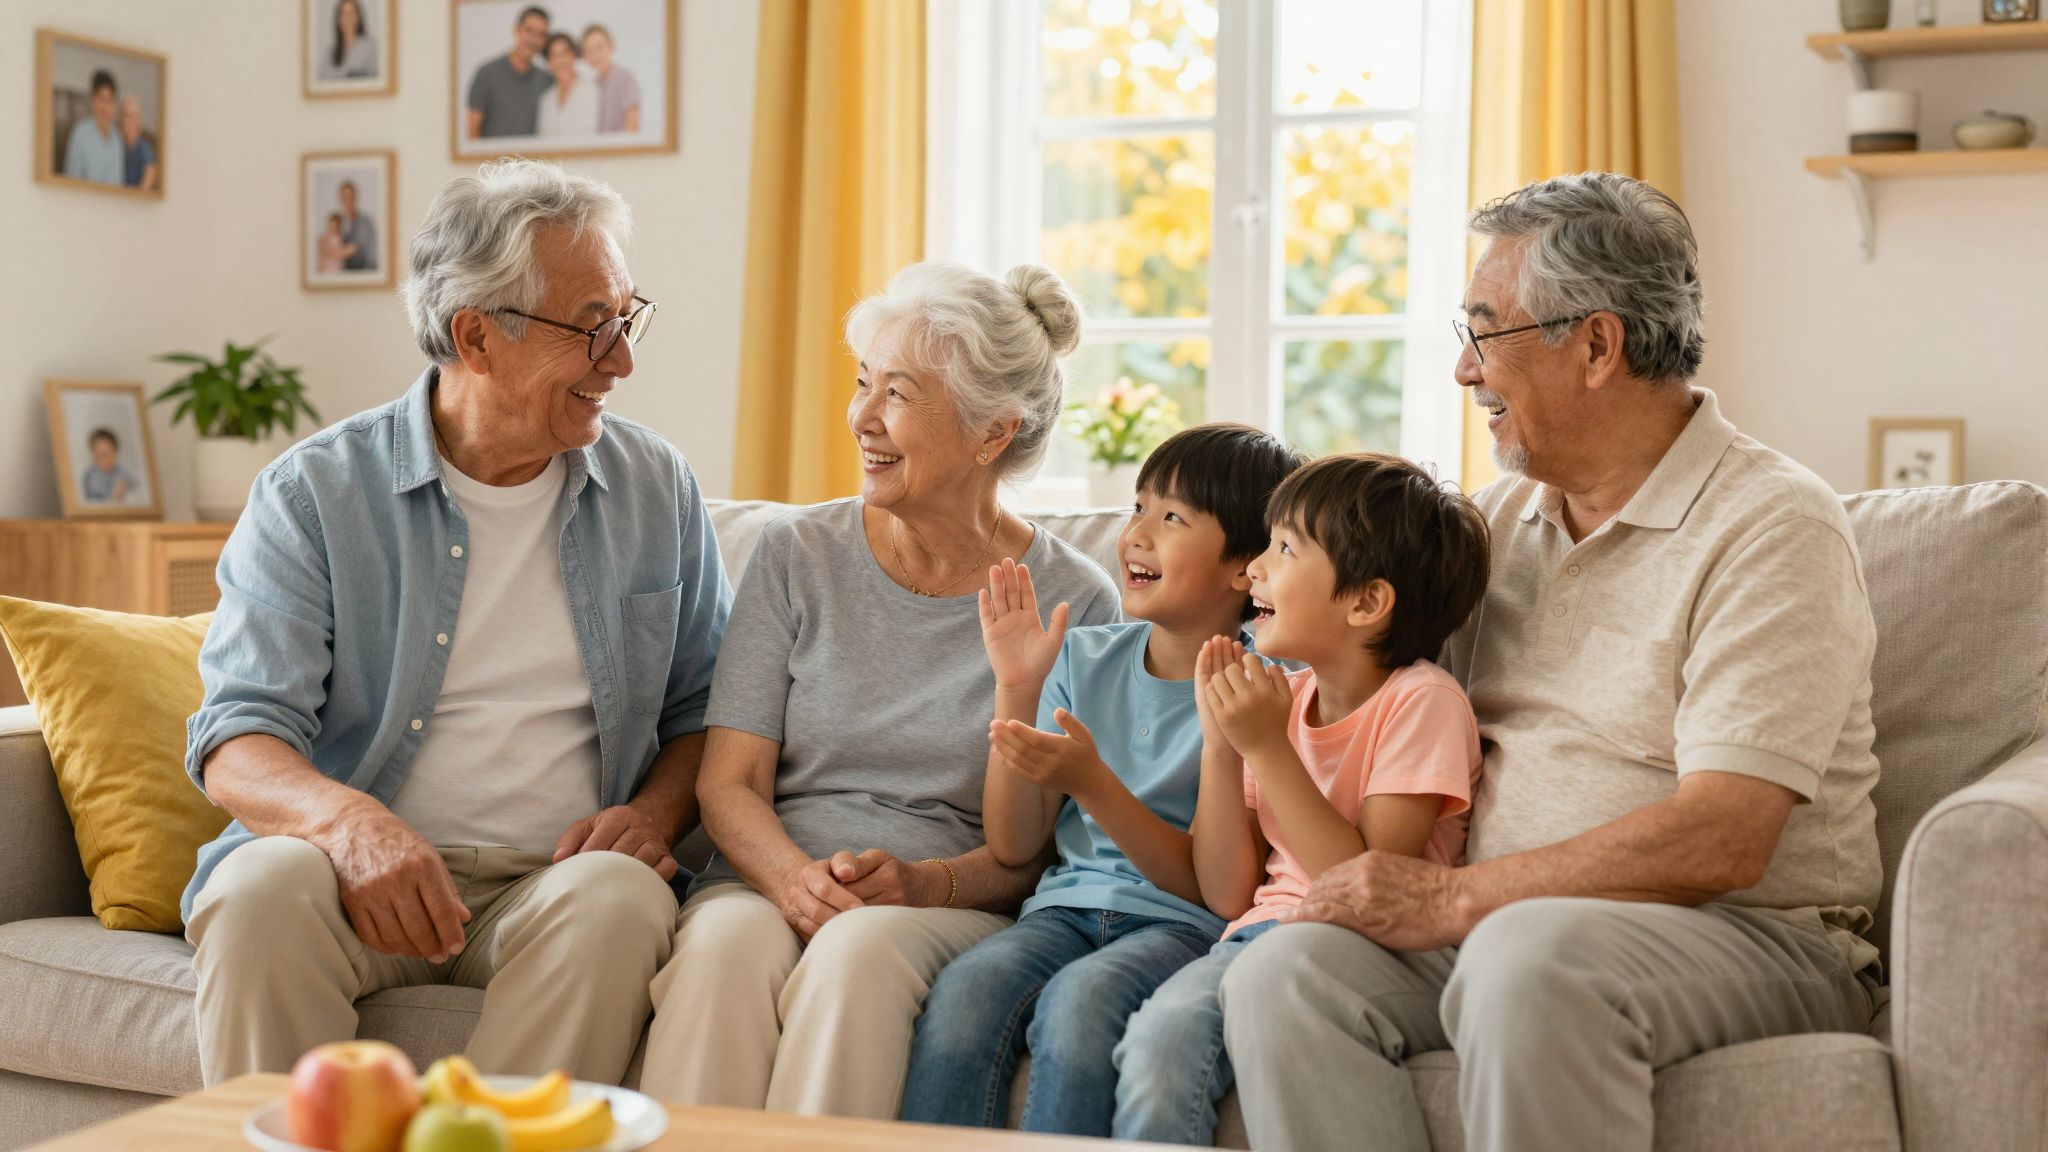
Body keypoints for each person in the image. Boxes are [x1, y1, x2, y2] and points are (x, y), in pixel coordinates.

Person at [1223, 172, 1885, 1152]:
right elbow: (1347, 671)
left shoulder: (1770, 526)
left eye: (1482, 332)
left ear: (1594, 345)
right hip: (1502, 930)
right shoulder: (1489, 526)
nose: (1460, 369)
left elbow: (1724, 838)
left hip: (1747, 934)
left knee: (1529, 958)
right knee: (1286, 974)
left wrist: (1454, 899)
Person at [182, 159, 727, 1089]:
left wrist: (650, 814)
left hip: (549, 883)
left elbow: (707, 711)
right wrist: (351, 825)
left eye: (628, 317)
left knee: (619, 900)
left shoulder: (655, 488)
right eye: (596, 327)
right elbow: (236, 737)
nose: (624, 360)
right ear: (478, 338)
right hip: (349, 880)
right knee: (257, 890)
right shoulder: (314, 494)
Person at [639, 261, 1121, 1119]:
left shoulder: (1075, 598)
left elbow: (1052, 846)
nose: (862, 417)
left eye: (897, 394)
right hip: (767, 870)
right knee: (720, 946)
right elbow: (729, 781)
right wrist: (792, 881)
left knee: (857, 956)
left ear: (990, 432)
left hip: (939, 896)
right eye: (864, 384)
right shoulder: (798, 554)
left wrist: (925, 884)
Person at [899, 424, 1307, 1136]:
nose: (1138, 535)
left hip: (1185, 927)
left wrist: (1094, 785)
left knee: (1082, 1003)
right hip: (1063, 909)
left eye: (1172, 518)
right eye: (1138, 508)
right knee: (965, 991)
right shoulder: (1083, 659)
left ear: (1246, 566)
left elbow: (1217, 891)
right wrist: (1016, 691)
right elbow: (1014, 842)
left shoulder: (1264, 692)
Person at [1110, 452, 1488, 1146]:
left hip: (1372, 952)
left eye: (1284, 549)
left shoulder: (1422, 702)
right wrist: (1223, 743)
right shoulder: (1285, 700)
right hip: (1253, 936)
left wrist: (1266, 750)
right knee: (1155, 1046)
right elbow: (1227, 893)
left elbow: (1369, 891)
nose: (1255, 568)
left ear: (1367, 602)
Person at [467, 6, 554, 139]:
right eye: (529, 31)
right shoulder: (487, 74)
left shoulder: (547, 80)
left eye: (541, 35)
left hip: (534, 159)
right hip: (494, 159)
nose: (533, 40)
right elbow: (472, 131)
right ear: (516, 30)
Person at [62, 69, 123, 185]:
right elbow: (71, 180)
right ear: (93, 100)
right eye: (101, 99)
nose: (105, 107)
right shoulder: (80, 133)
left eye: (110, 101)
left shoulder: (117, 138)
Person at [535, 32, 599, 140]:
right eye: (554, 56)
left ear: (573, 55)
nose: (560, 61)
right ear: (548, 63)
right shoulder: (546, 99)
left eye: (564, 54)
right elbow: (542, 140)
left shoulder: (591, 91)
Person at [581, 24, 641, 134]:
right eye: (589, 50)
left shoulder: (625, 78)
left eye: (599, 48)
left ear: (611, 47)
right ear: (584, 55)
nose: (595, 55)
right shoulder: (593, 85)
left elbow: (632, 124)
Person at [320, 0, 379, 81]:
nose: (348, 18)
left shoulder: (369, 46)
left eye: (352, 13)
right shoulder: (330, 51)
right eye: (344, 13)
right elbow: (322, 80)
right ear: (338, 19)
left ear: (359, 17)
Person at [79, 428, 138, 503]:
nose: (101, 460)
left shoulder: (122, 470)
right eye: (97, 456)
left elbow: (135, 486)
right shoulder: (92, 477)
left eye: (105, 455)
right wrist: (114, 497)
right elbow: (98, 505)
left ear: (116, 453)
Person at [336, 180, 377, 272]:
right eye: (344, 198)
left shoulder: (366, 222)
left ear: (355, 197)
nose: (348, 202)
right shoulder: (337, 222)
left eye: (351, 197)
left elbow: (358, 249)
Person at [119, 95, 156, 192]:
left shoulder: (144, 149)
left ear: (138, 121)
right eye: (125, 115)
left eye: (132, 117)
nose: (127, 121)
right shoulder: (114, 144)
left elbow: (149, 177)